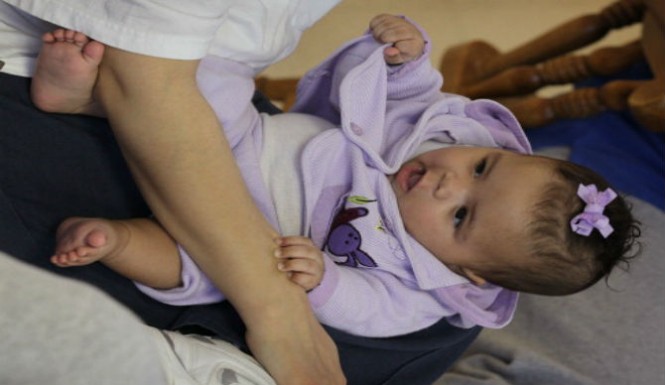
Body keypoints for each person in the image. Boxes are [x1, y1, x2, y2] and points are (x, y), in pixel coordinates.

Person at [36, 15, 639, 338]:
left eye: (461, 216)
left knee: (192, 272)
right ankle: (88, 99)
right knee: (215, 79)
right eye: (481, 168)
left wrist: (324, 284)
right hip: (248, 138)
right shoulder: (451, 137)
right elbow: (408, 100)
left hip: (249, 231)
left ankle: (112, 242)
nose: (446, 181)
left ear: (471, 270)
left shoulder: (422, 293)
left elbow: (368, 311)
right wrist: (406, 59)